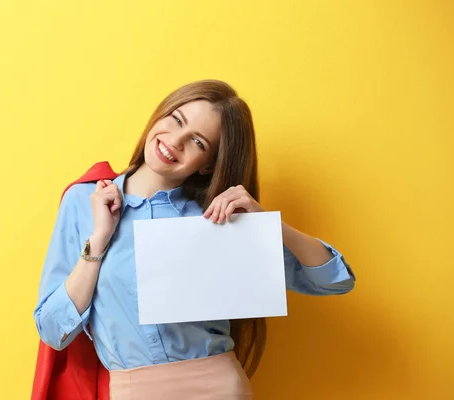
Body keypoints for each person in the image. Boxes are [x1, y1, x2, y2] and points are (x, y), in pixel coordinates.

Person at [34, 80, 355, 399]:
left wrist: (268, 225)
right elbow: (53, 331)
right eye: (176, 120)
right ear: (160, 114)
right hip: (132, 390)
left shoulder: (216, 219)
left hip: (218, 387)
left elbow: (335, 281)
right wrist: (99, 240)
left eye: (198, 142)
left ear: (210, 165)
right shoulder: (84, 201)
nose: (175, 141)